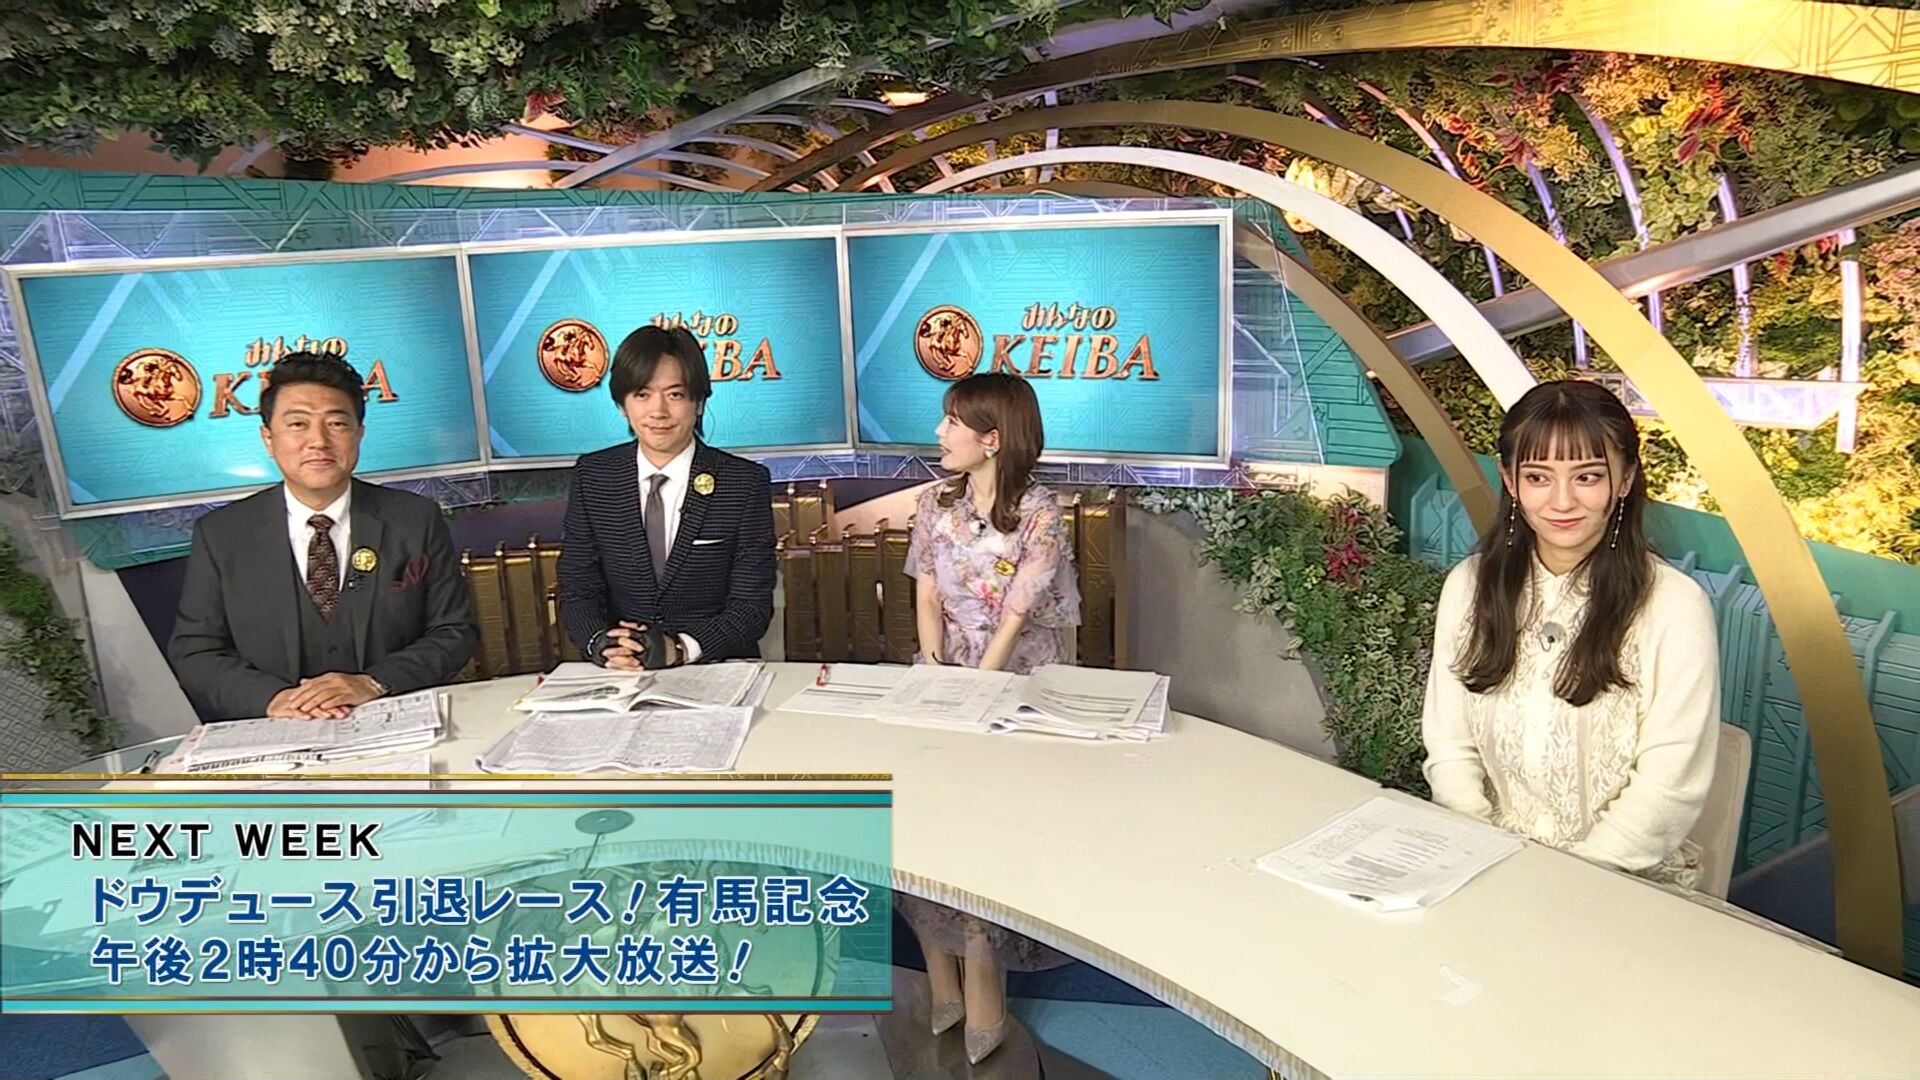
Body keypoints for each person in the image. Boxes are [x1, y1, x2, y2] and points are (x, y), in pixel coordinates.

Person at [1422, 379, 1721, 888]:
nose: (1562, 501)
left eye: (1587, 477)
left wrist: (1569, 881)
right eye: (1538, 477)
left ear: (1625, 479)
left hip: (1619, 882)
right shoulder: (1470, 586)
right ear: (1510, 481)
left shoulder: (1674, 606)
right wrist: (1477, 852)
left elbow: (1668, 787)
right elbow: (1450, 746)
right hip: (1486, 866)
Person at [899, 372, 1081, 1064]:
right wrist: (934, 667)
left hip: (1014, 685)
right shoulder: (933, 503)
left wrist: (978, 691)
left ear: (994, 438)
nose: (940, 433)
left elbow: (1016, 616)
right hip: (943, 675)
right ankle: (937, 966)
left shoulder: (1042, 513)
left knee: (991, 826)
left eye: (953, 422)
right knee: (931, 820)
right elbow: (926, 593)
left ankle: (982, 964)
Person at [168, 352, 478, 722]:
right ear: (268, 438)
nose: (318, 441)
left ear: (359, 434)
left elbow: (454, 631)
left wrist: (374, 682)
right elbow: (196, 652)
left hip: (393, 721)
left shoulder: (414, 519)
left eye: (336, 423)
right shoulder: (223, 534)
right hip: (279, 730)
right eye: (298, 424)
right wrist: (273, 699)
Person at [558, 325, 775, 669]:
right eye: (642, 394)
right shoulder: (594, 476)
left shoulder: (743, 483)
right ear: (622, 405)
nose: (657, 411)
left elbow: (751, 606)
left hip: (714, 667)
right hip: (622, 672)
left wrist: (680, 648)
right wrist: (602, 642)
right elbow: (578, 588)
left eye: (675, 395)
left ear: (699, 402)